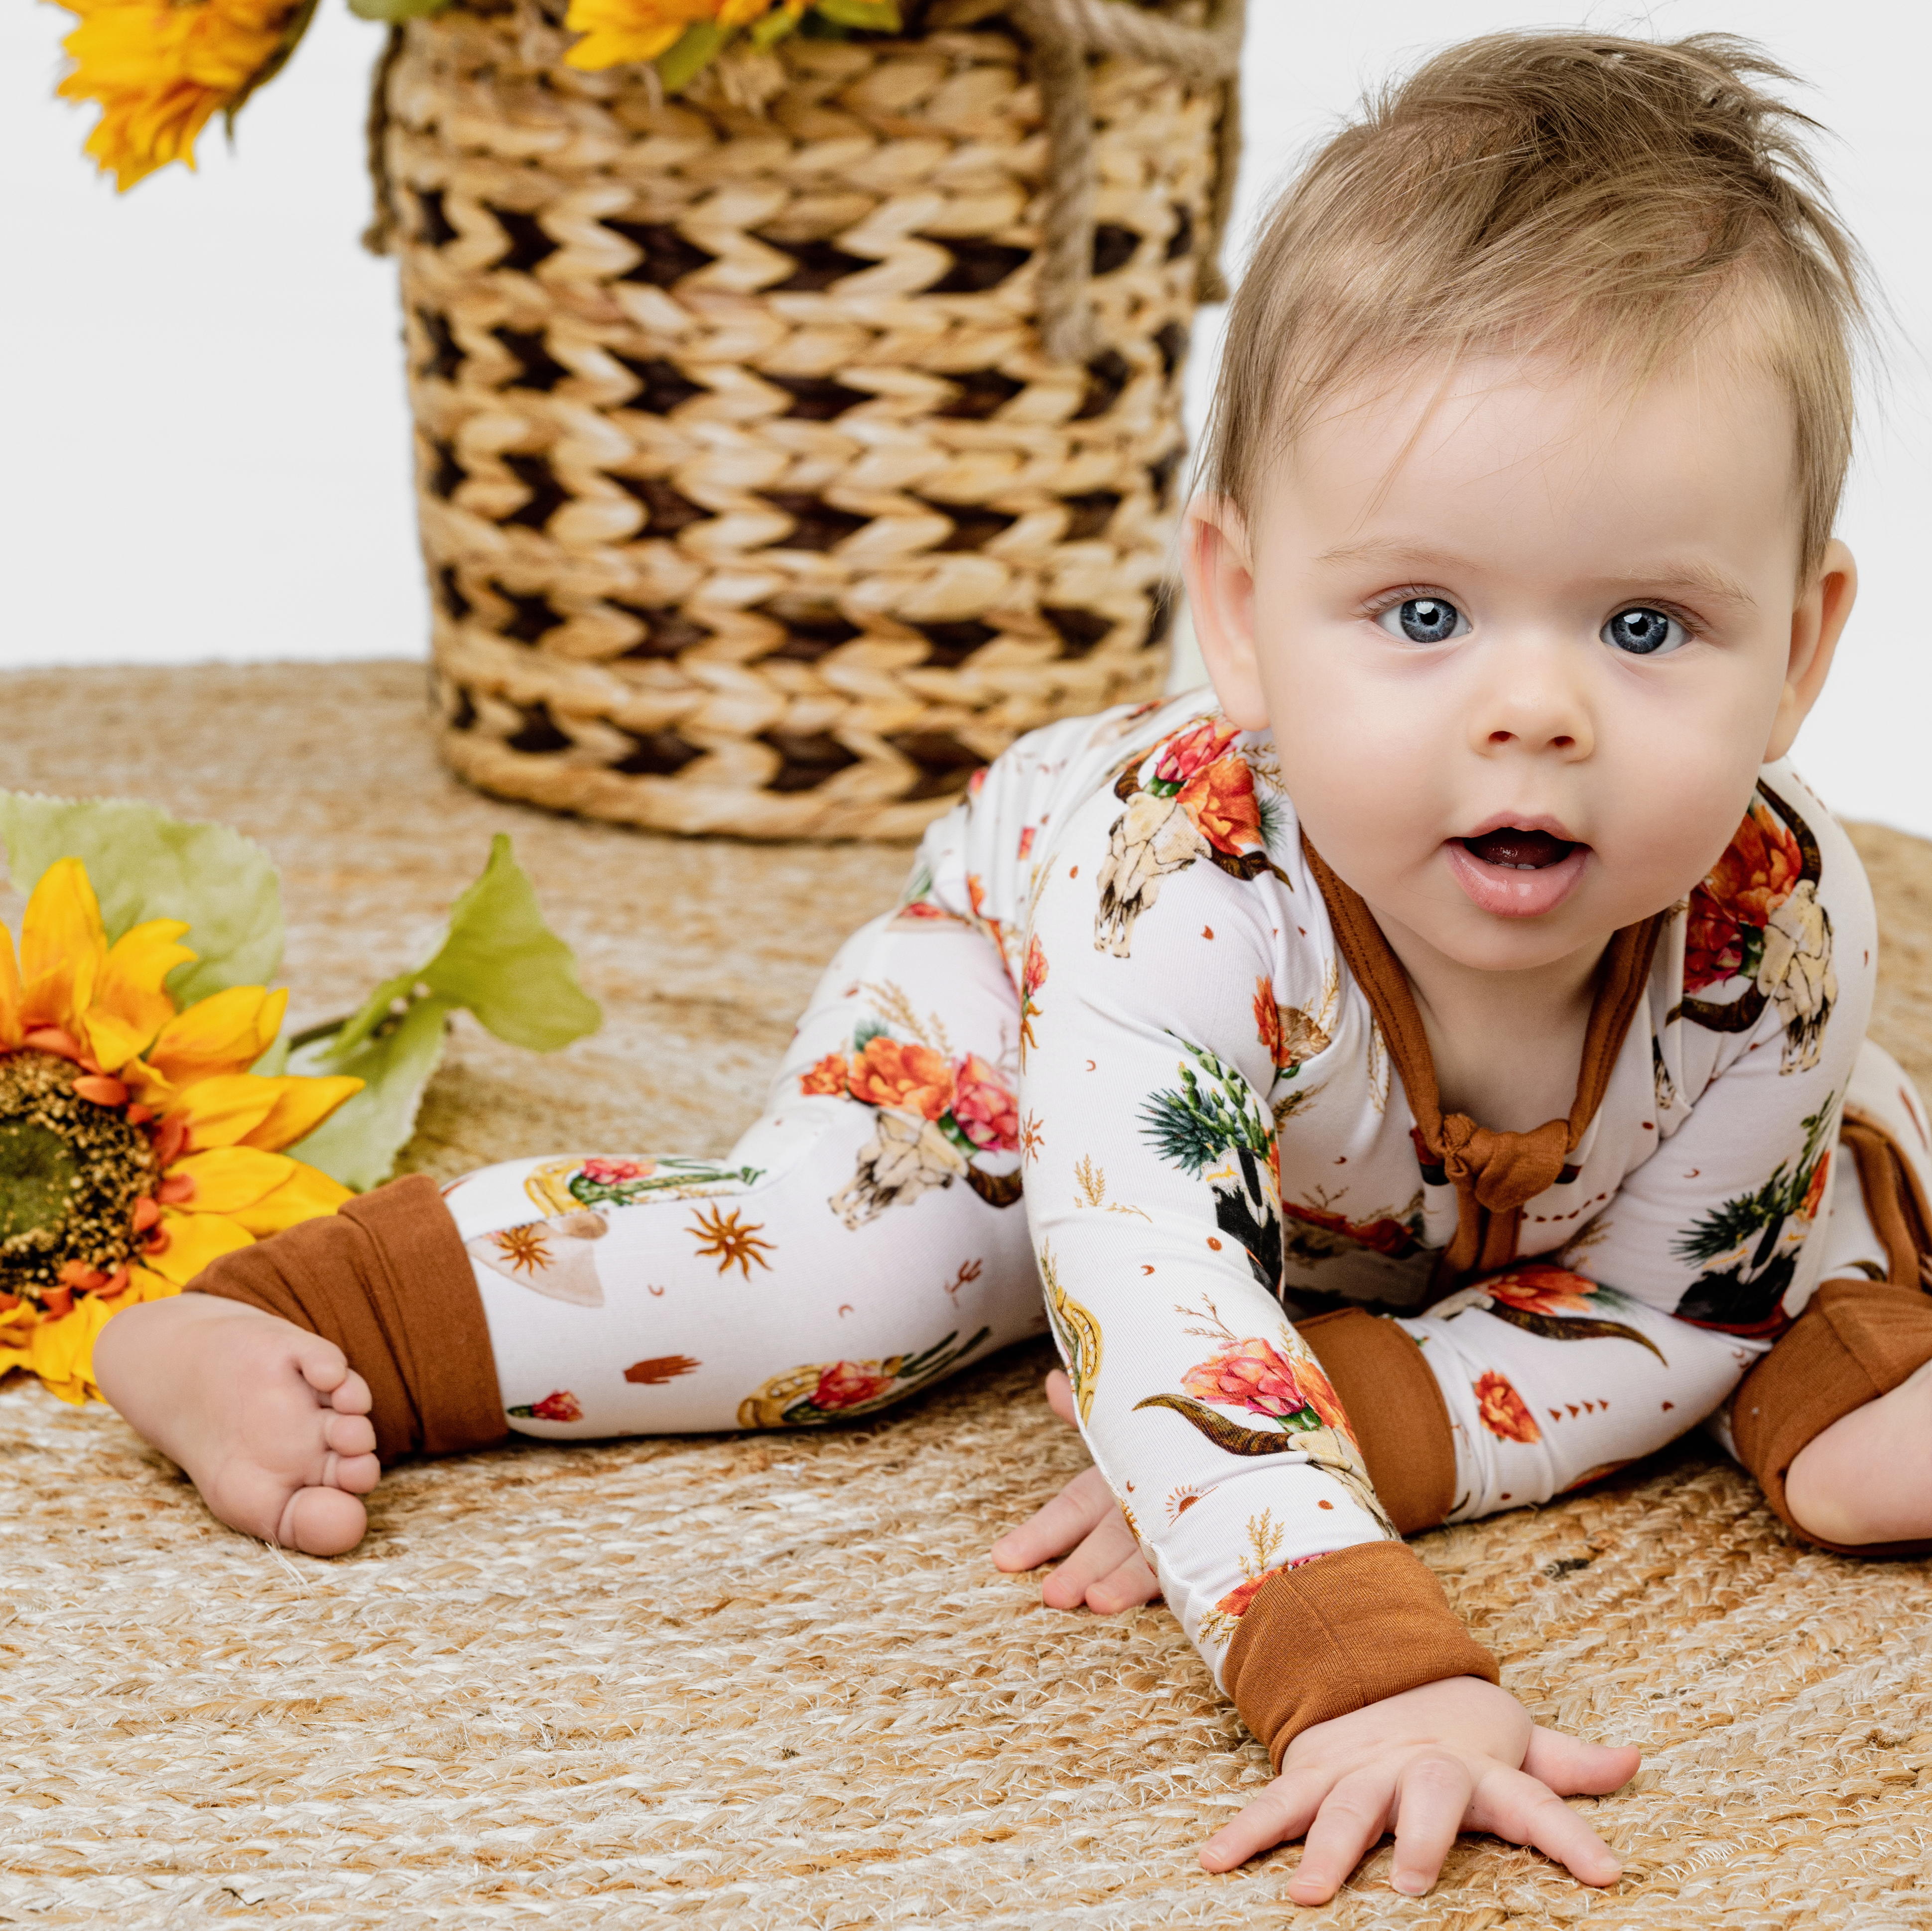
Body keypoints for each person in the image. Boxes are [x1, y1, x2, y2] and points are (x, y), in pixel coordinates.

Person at [94, 28, 1932, 1906]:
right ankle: (301, 1312)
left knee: (1786, 1189)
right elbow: (1161, 1303)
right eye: (1424, 612)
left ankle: (1857, 1358)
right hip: (1023, 990)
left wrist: (1363, 1408)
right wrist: (1360, 1668)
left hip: (1444, 1187)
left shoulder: (1776, 911)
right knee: (859, 1272)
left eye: (1649, 627)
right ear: (1240, 614)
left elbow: (1667, 1304)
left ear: (1798, 651)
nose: (1533, 710)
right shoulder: (1187, 889)